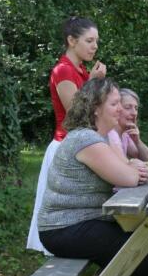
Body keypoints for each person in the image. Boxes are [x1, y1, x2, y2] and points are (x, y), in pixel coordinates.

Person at [38, 78, 148, 276]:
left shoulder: (96, 137)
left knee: (143, 246)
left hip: (80, 223)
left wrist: (131, 168)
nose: (120, 109)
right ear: (95, 109)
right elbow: (129, 177)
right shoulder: (87, 140)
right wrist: (132, 169)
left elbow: (127, 169)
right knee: (144, 257)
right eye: (114, 104)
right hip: (65, 227)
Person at [27, 17, 107, 255]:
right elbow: (75, 114)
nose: (94, 46)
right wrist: (93, 83)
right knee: (61, 211)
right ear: (72, 41)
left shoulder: (80, 69)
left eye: (96, 41)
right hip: (65, 149)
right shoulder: (63, 70)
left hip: (79, 147)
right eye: (89, 41)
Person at [107, 88, 148, 162]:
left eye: (136, 108)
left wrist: (137, 141)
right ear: (117, 109)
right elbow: (123, 167)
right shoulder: (110, 134)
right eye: (128, 107)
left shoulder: (125, 134)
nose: (134, 113)